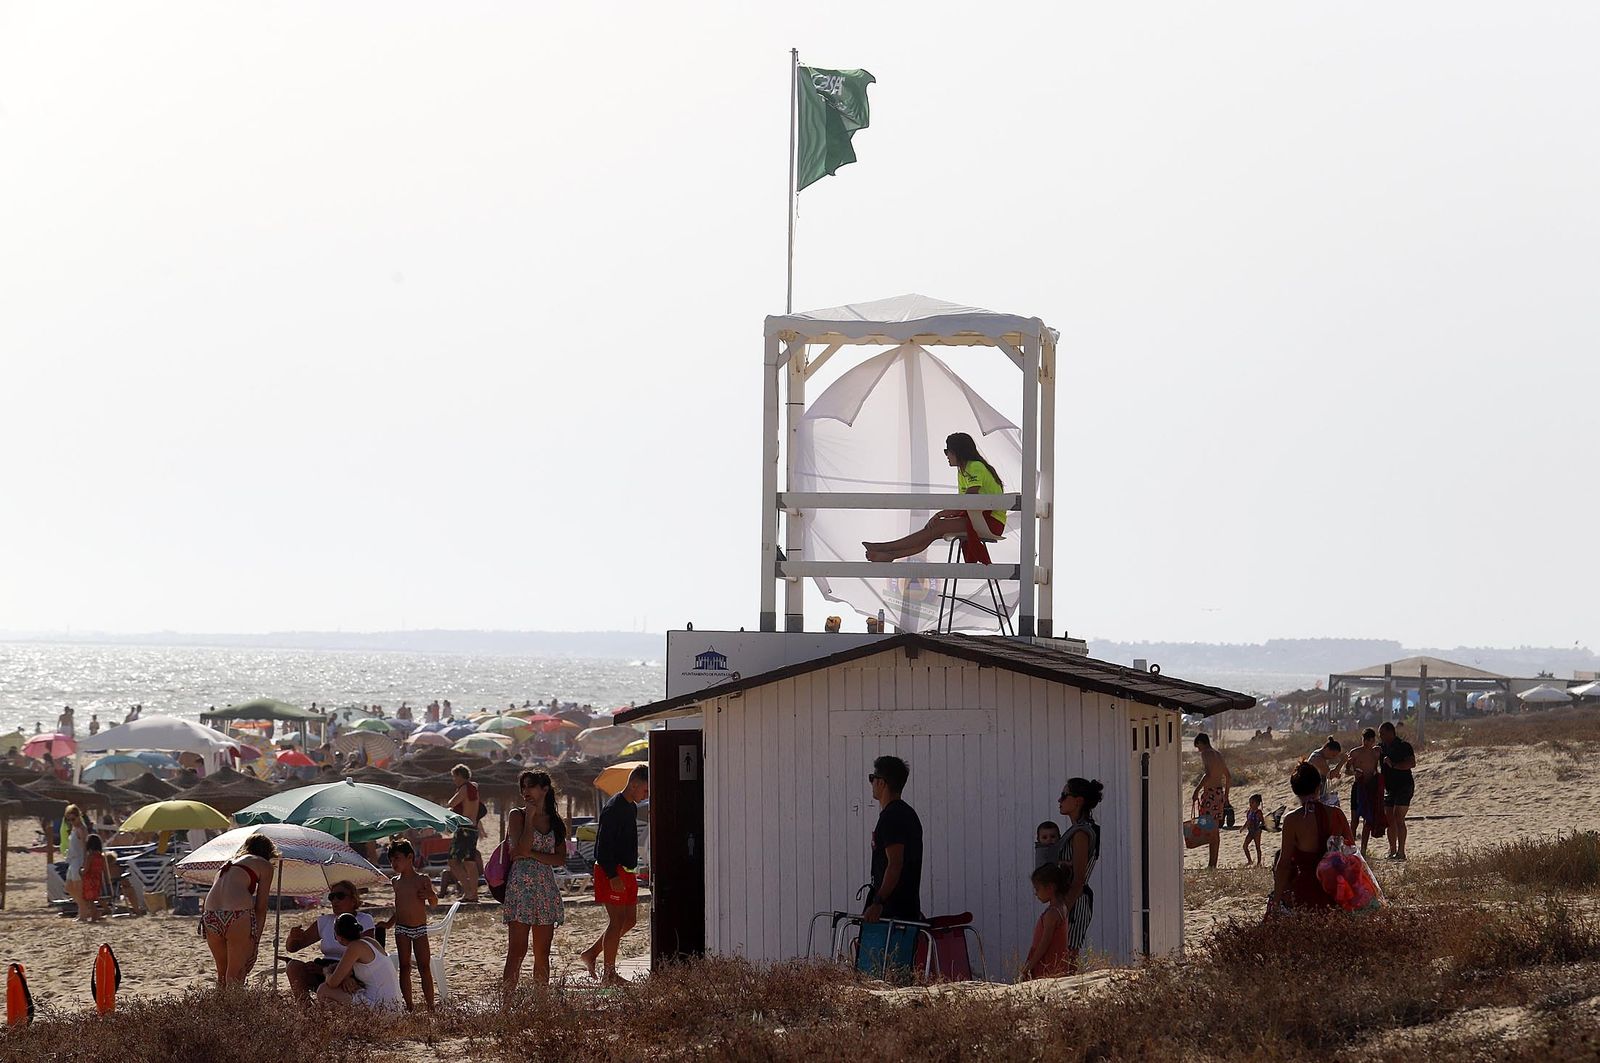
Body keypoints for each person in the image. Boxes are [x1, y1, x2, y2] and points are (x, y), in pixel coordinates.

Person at [862, 433, 1007, 564]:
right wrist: (944, 514)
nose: (946, 455)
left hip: (991, 521)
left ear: (957, 451)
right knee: (932, 531)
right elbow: (965, 502)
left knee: (935, 528)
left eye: (947, 451)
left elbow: (968, 498)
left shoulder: (974, 466)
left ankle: (887, 548)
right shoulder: (964, 470)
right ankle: (890, 553)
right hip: (978, 518)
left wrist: (941, 513)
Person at [579, 765, 648, 984]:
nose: (646, 795)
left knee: (630, 920)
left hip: (626, 869)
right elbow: (603, 846)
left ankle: (591, 953)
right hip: (610, 870)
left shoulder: (631, 807)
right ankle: (609, 974)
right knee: (616, 921)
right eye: (645, 791)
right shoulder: (614, 808)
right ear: (634, 785)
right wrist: (612, 875)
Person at [503, 770, 567, 994]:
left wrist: (532, 854)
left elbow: (560, 858)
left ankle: (540, 1005)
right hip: (521, 889)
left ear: (545, 789)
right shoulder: (517, 815)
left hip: (546, 889)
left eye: (530, 786)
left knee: (542, 953)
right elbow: (519, 849)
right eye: (523, 787)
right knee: (516, 952)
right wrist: (530, 819)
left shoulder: (555, 822)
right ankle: (507, 1005)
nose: (525, 792)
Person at [1271, 762, 1356, 912]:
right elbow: (1352, 852)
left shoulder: (1292, 819)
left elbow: (1283, 864)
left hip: (1306, 890)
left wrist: (1276, 901)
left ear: (1295, 790)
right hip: (1337, 888)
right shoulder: (1336, 813)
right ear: (1318, 787)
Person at [200, 833, 277, 986]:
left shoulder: (228, 863)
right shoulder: (264, 865)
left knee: (222, 974)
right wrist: (255, 942)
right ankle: (235, 1010)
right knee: (236, 974)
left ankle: (218, 1008)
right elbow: (261, 907)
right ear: (269, 852)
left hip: (209, 916)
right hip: (237, 914)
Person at [284, 881, 378, 1002]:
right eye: (331, 897)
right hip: (325, 968)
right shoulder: (325, 921)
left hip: (352, 971)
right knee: (293, 967)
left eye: (340, 896)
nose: (335, 901)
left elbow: (367, 954)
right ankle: (305, 1012)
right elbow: (293, 948)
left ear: (353, 900)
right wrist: (292, 937)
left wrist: (337, 973)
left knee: (338, 984)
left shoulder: (363, 920)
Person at [379, 839, 438, 1011]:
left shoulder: (422, 879)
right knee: (404, 967)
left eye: (397, 858)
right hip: (402, 929)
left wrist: (430, 895)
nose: (393, 863)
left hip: (419, 928)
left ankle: (430, 1006)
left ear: (409, 857)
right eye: (391, 860)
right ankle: (410, 1005)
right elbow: (399, 908)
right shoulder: (395, 881)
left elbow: (434, 903)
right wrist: (389, 924)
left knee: (424, 967)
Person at [863, 756, 923, 923]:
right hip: (905, 911)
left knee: (879, 951)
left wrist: (878, 902)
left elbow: (895, 864)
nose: (871, 783)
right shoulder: (908, 815)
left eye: (872, 778)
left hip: (890, 916)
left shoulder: (892, 818)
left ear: (882, 783)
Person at [1055, 777, 1103, 972]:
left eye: (1064, 795)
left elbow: (1079, 878)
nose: (1060, 800)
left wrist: (1063, 909)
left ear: (1078, 801)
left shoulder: (1081, 833)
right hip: (1069, 899)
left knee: (1067, 958)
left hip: (1076, 900)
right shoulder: (1078, 830)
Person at [316, 913, 404, 1010]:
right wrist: (346, 977)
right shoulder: (370, 941)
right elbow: (341, 967)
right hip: (394, 1006)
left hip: (382, 1008)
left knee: (324, 990)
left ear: (338, 937)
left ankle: (340, 1023)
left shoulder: (354, 947)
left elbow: (333, 983)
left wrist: (327, 972)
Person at [1020, 863, 1071, 980]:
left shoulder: (1052, 914)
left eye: (1038, 889)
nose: (1036, 893)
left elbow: (1044, 944)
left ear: (1050, 888)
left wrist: (1028, 967)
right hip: (1055, 965)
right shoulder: (1061, 907)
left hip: (1047, 967)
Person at [1190, 734, 1231, 869]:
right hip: (1218, 794)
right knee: (1214, 830)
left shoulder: (1206, 754)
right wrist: (1226, 796)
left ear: (1202, 743)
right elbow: (1228, 776)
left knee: (1209, 828)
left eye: (1198, 747)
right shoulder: (1218, 754)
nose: (1199, 750)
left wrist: (1197, 790)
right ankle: (1212, 863)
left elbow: (1208, 774)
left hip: (1210, 795)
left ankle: (1212, 864)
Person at [1379, 721, 1417, 861]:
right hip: (1390, 788)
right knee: (1389, 819)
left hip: (1404, 786)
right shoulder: (1381, 747)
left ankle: (1401, 852)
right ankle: (1392, 850)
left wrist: (1394, 765)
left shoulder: (1403, 746)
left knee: (1398, 817)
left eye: (1382, 733)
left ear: (1390, 732)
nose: (1380, 736)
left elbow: (1411, 763)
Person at [1346, 728, 1387, 853]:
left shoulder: (1376, 752)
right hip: (1359, 786)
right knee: (1354, 819)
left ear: (1373, 741)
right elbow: (1347, 770)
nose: (1367, 743)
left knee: (1368, 820)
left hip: (1371, 787)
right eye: (1365, 740)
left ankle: (1363, 849)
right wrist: (1354, 772)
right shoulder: (1355, 753)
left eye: (1370, 740)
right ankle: (1352, 847)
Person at [446, 765, 483, 902]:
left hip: (464, 829)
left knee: (453, 861)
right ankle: (472, 893)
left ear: (461, 776)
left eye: (455, 776)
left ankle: (469, 891)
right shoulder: (473, 788)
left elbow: (451, 802)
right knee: (469, 862)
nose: (453, 779)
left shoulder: (465, 788)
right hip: (472, 829)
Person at [1304, 738, 1346, 809]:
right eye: (1332, 755)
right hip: (1312, 794)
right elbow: (1330, 775)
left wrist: (1336, 773)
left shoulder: (1319, 756)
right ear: (1327, 748)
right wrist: (1342, 762)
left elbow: (1326, 772)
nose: (1332, 758)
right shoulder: (1318, 758)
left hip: (1318, 792)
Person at [62, 805, 88, 917]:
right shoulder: (74, 829)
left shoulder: (81, 829)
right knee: (69, 887)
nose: (71, 822)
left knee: (77, 889)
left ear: (78, 817)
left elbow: (84, 847)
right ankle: (83, 910)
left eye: (73, 819)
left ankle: (82, 913)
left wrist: (84, 863)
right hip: (72, 860)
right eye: (68, 820)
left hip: (78, 860)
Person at [79, 834, 108, 922]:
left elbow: (86, 869)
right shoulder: (101, 857)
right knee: (94, 897)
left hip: (89, 879)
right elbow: (104, 870)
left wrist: (80, 871)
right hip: (97, 879)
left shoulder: (90, 856)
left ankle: (94, 916)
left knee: (89, 899)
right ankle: (97, 913)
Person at [1242, 794, 1265, 866]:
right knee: (1245, 846)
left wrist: (1260, 826)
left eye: (1252, 803)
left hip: (1257, 831)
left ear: (1257, 804)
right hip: (1250, 831)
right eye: (1250, 803)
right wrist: (1243, 827)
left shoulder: (1258, 812)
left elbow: (1262, 821)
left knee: (1257, 847)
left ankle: (1259, 862)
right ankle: (1249, 860)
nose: (1250, 804)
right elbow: (1248, 821)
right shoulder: (1249, 812)